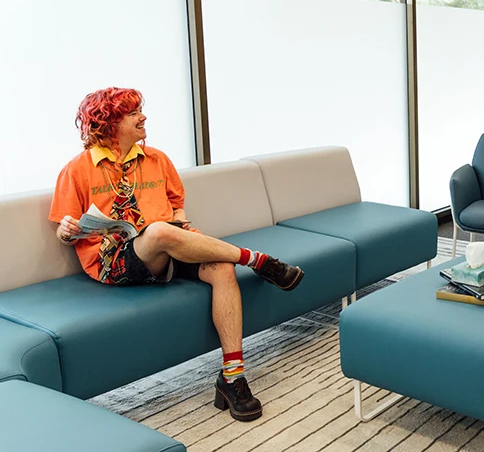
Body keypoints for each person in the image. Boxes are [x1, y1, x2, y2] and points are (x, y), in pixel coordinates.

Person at [49, 87, 305, 421]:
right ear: (109, 121)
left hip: (168, 247)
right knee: (157, 231)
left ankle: (233, 377)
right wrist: (66, 230)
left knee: (222, 269)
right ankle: (258, 260)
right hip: (115, 262)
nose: (143, 117)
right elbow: (63, 230)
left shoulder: (156, 159)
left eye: (141, 110)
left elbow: (177, 208)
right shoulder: (78, 169)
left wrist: (186, 232)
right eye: (133, 113)